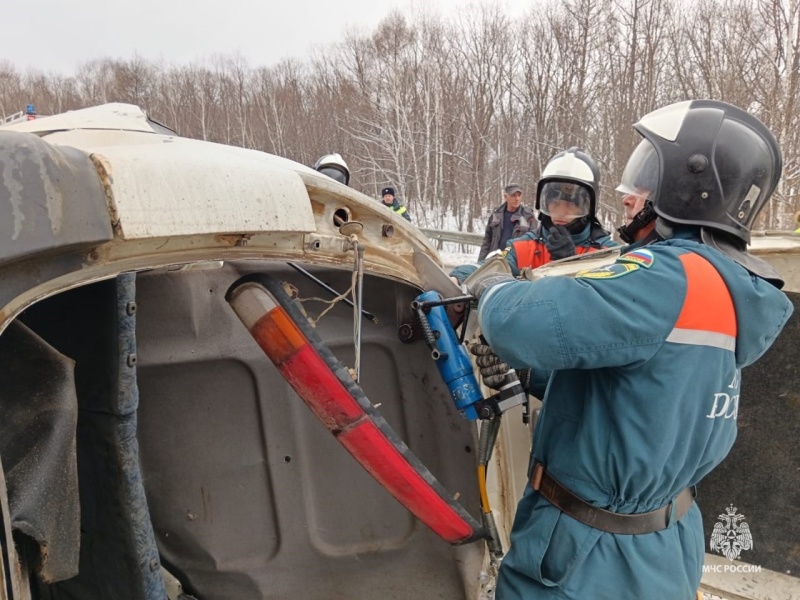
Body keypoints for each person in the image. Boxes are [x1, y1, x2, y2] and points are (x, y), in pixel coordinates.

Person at [466, 100, 793, 599]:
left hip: (587, 556)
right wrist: (535, 379)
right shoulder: (731, 289)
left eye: (646, 177)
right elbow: (651, 385)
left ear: (690, 190)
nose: (626, 197)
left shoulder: (667, 275)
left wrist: (489, 290)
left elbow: (518, 324)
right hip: (667, 540)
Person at [450, 148, 617, 284]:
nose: (560, 212)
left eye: (571, 205)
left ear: (588, 207)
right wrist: (458, 277)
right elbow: (491, 268)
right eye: (554, 203)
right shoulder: (524, 246)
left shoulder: (606, 254)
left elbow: (603, 304)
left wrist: (570, 264)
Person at [478, 184, 535, 261]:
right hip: (494, 259)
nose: (517, 198)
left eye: (519, 195)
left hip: (516, 261)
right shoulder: (496, 214)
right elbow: (487, 241)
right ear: (505, 197)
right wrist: (481, 261)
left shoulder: (528, 216)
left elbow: (534, 241)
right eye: (513, 195)